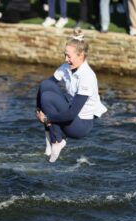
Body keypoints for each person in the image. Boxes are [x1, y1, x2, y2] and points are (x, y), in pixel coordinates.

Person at [36, 30, 108, 162]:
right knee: (45, 85)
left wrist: (47, 118)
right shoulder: (66, 67)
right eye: (65, 55)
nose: (65, 59)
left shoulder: (87, 76)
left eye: (69, 56)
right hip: (69, 116)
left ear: (81, 56)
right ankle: (49, 137)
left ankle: (56, 140)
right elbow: (47, 85)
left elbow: (71, 113)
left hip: (80, 126)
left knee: (48, 98)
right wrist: (38, 111)